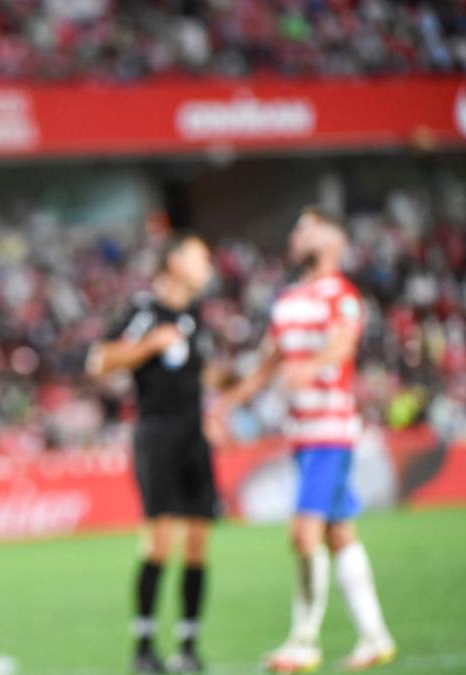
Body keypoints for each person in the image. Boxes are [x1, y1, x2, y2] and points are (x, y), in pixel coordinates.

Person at [214, 207, 396, 672]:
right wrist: (225, 402)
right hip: (302, 434)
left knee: (303, 533)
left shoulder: (343, 294)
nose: (297, 234)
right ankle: (374, 636)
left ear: (333, 239)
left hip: (331, 432)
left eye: (306, 226)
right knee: (339, 534)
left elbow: (342, 343)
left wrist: (312, 367)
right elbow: (268, 364)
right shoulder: (288, 299)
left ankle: (304, 642)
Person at [88, 234, 218, 673]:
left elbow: (201, 374)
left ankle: (188, 645)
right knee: (160, 540)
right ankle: (144, 645)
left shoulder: (196, 315)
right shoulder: (144, 312)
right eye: (200, 256)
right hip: (157, 434)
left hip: (195, 435)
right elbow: (99, 361)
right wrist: (149, 345)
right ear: (175, 262)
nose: (207, 264)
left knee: (199, 541)